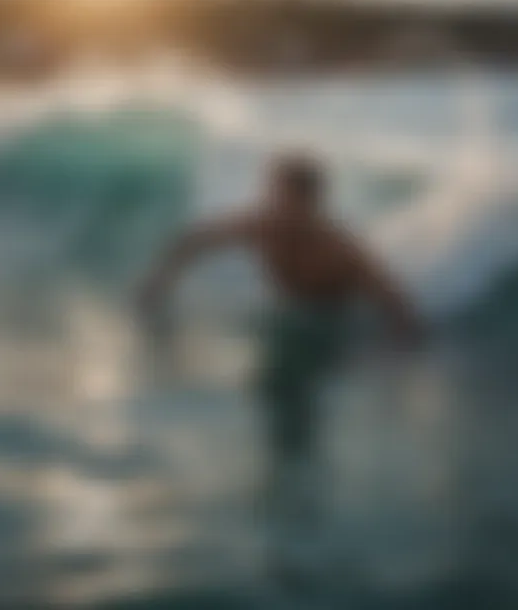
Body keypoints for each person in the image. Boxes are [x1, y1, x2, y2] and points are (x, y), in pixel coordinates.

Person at [139, 154, 423, 523]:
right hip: (291, 325)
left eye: (289, 199)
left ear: (313, 203)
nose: (278, 207)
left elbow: (397, 306)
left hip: (336, 331)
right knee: (269, 394)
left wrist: (397, 359)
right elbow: (194, 241)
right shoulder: (260, 226)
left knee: (294, 400)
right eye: (274, 194)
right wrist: (158, 284)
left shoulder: (339, 249)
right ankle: (285, 473)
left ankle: (298, 477)